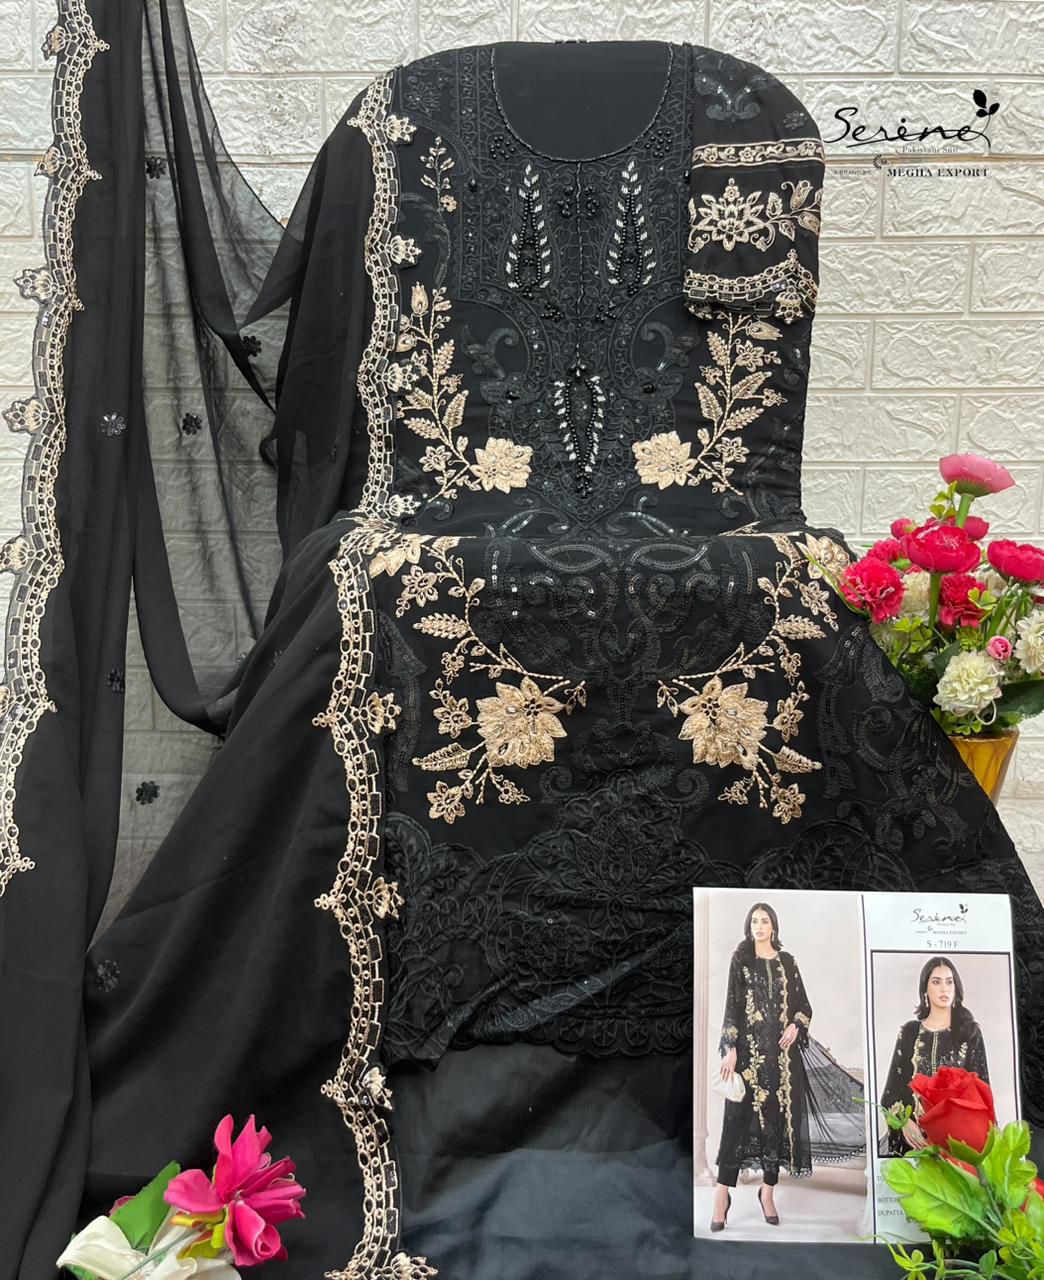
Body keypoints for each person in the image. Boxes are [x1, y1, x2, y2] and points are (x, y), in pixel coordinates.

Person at [711, 903, 814, 1231]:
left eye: (764, 921)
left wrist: (795, 1025)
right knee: (735, 1125)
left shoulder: (788, 962)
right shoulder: (741, 960)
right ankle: (721, 1196)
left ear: (773, 926)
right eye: (754, 921)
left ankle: (767, 1193)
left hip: (781, 1060)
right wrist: (730, 1049)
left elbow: (804, 1006)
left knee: (775, 1126)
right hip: (748, 1059)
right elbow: (732, 1006)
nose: (758, 926)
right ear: (749, 926)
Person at [878, 956, 990, 1155]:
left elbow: (982, 1094)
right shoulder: (910, 1032)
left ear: (956, 988)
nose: (944, 989)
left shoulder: (969, 1033)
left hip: (956, 1143)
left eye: (949, 982)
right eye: (936, 982)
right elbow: (890, 1096)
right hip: (914, 1143)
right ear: (925, 989)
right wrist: (904, 1123)